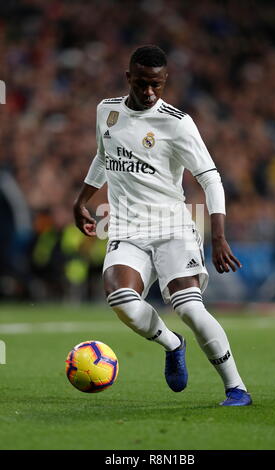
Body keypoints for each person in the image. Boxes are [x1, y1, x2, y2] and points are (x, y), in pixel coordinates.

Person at [73, 45, 252, 406]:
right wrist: (82, 200)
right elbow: (104, 156)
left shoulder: (177, 123)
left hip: (171, 227)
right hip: (125, 228)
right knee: (122, 301)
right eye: (141, 83)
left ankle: (236, 388)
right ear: (129, 78)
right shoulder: (106, 111)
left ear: (165, 81)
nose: (149, 92)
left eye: (156, 84)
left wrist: (218, 236)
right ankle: (172, 343)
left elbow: (211, 179)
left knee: (189, 308)